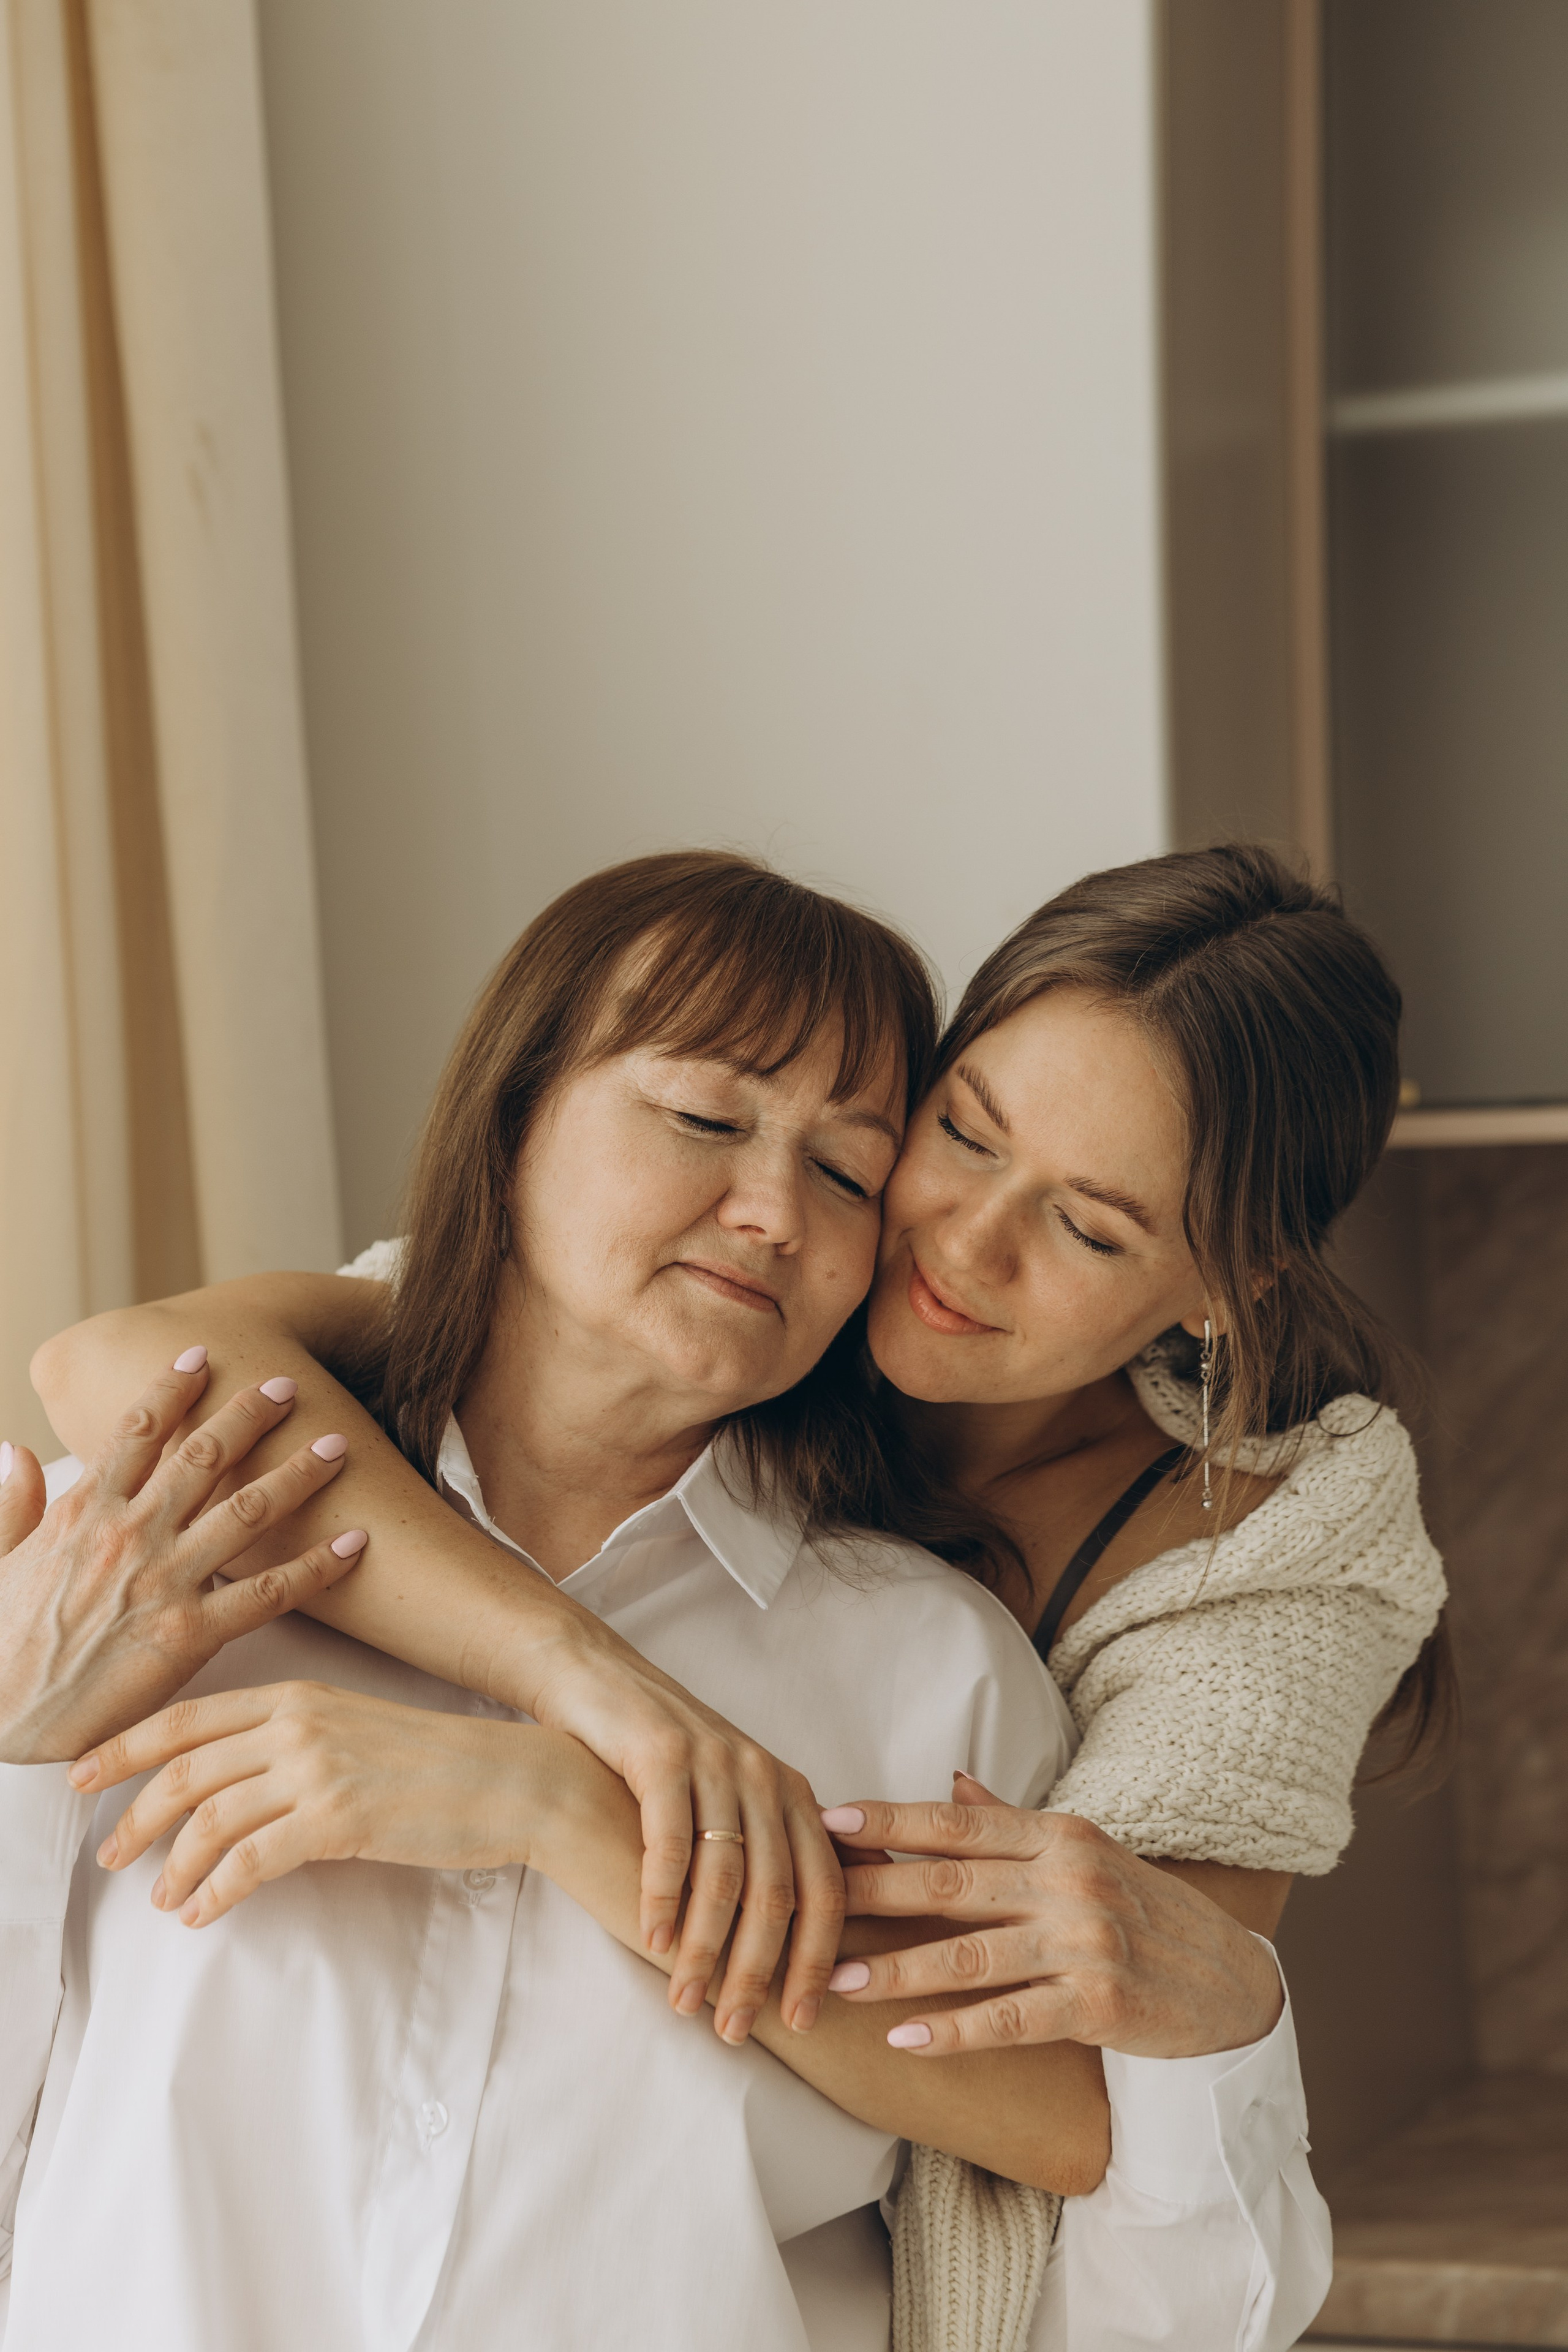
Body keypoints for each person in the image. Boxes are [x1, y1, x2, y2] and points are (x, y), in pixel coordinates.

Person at [6, 846, 1434, 2345]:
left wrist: (564, 1805)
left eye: (842, 1168)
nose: (943, 1237)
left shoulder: (990, 1667)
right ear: (513, 1115)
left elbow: (1103, 2133)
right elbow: (139, 1362)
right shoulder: (180, 1540)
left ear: (1222, 1285)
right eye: (951, 1139)